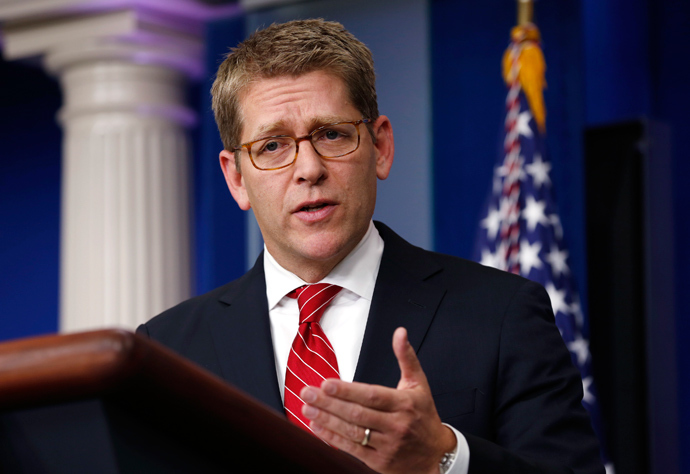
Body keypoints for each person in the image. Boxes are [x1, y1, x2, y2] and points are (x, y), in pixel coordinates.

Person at [137, 19, 604, 474]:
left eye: (332, 134)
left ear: (379, 146)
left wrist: (444, 459)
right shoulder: (170, 350)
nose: (309, 169)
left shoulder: (501, 314)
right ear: (237, 178)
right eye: (273, 146)